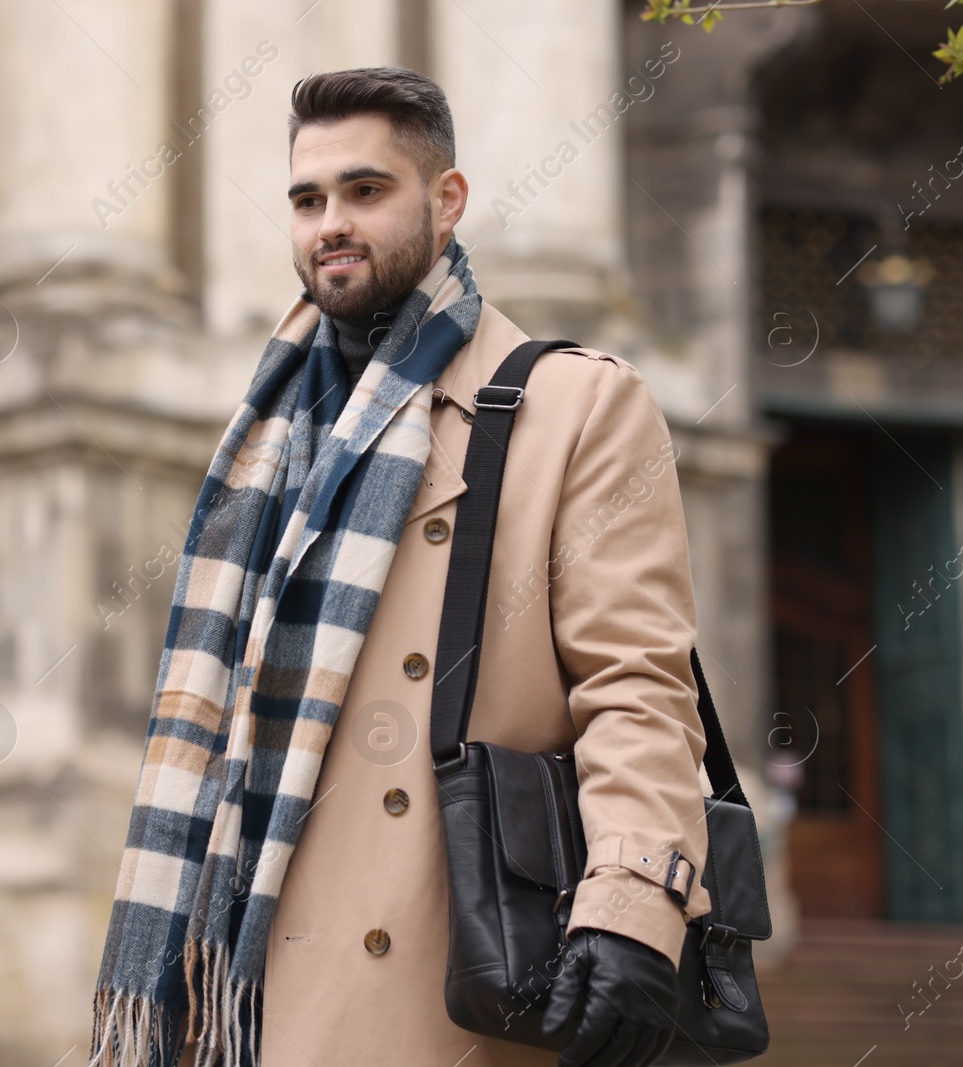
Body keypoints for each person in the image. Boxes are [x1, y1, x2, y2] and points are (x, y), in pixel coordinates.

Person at [87, 67, 712, 1067]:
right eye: (307, 198)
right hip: (236, 988)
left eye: (365, 191)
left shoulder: (574, 405)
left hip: (434, 979)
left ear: (446, 200)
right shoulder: (263, 432)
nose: (330, 222)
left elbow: (635, 683)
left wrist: (635, 899)